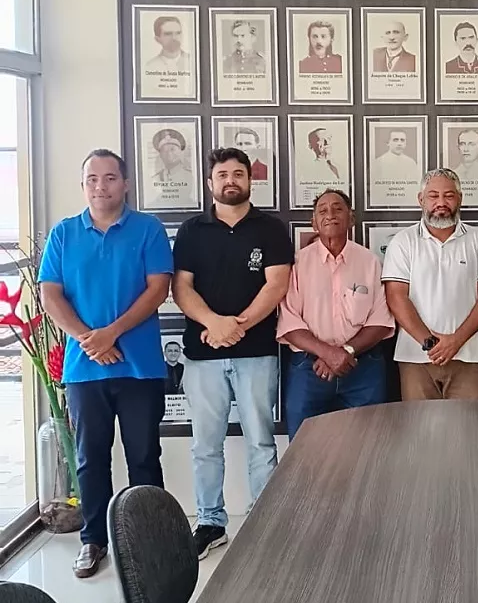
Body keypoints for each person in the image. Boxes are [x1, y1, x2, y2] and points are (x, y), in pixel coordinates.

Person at [39, 149, 173, 578]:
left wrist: (110, 333)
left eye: (110, 178)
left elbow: (158, 290)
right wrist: (88, 339)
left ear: (127, 183)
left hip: (140, 368)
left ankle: (149, 542)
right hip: (85, 369)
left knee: (144, 457)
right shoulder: (63, 234)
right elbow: (50, 295)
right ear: (83, 186)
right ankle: (93, 540)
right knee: (90, 458)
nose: (101, 186)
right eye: (92, 179)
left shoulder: (148, 230)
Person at [171, 147, 293, 559]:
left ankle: (265, 520)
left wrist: (236, 325)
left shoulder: (272, 229)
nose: (230, 181)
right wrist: (213, 323)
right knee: (206, 443)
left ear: (249, 180)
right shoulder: (191, 231)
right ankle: (210, 522)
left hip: (256, 350)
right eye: (222, 174)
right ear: (210, 182)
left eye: (238, 174)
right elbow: (181, 288)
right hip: (202, 352)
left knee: (260, 439)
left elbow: (276, 285)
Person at [277, 190, 394, 440]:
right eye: (322, 210)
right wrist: (328, 354)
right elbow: (289, 322)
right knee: (304, 452)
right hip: (309, 369)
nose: (330, 215)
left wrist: (346, 352)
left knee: (367, 449)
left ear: (351, 218)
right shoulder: (297, 264)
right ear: (313, 222)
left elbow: (380, 321)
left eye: (338, 209)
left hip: (363, 367)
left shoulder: (369, 262)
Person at [382, 169, 478, 400]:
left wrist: (455, 341)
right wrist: (430, 343)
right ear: (421, 200)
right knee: (420, 430)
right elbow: (396, 297)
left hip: (467, 356)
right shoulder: (403, 242)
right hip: (416, 358)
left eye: (448, 195)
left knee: (466, 431)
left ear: (460, 199)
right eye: (433, 196)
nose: (441, 202)